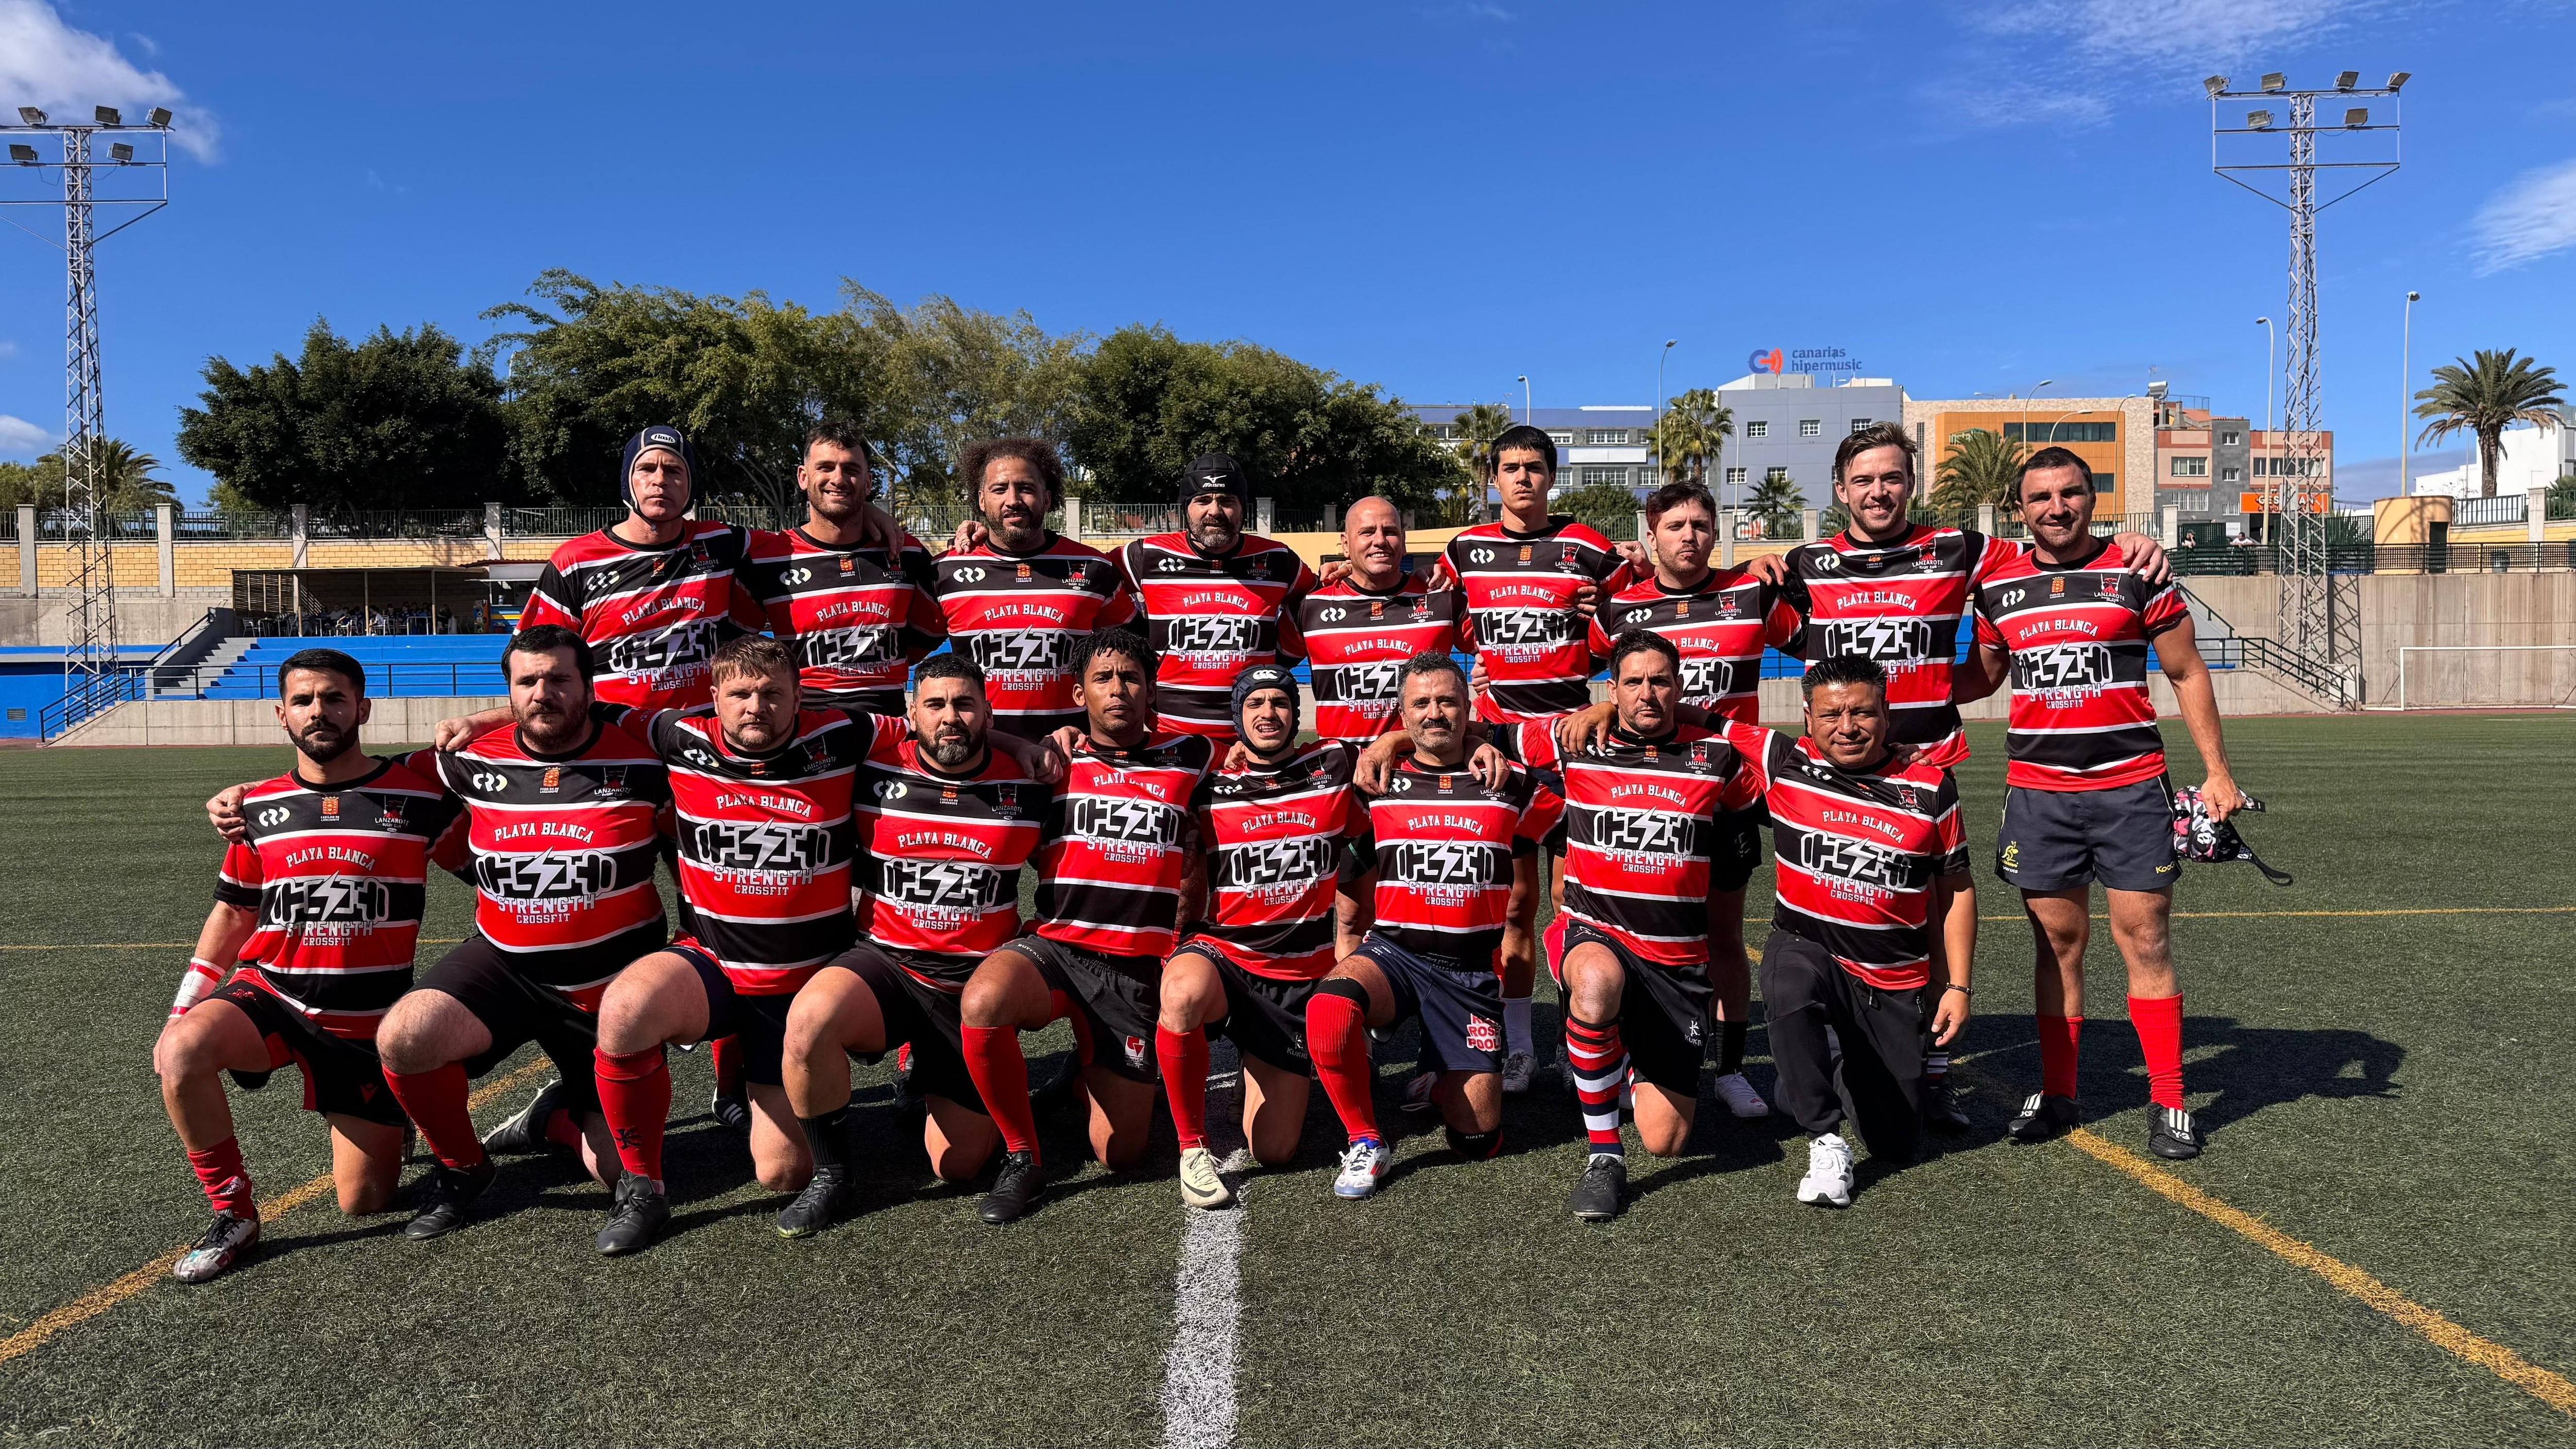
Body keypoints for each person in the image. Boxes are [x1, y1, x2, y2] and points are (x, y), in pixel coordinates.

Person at [1751, 421, 2167, 1131]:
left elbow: (2054, 544)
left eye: (1892, 477)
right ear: (1840, 490)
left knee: (1933, 921)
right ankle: (1829, 1048)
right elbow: (1751, 606)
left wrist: (2128, 547)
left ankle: (1934, 1072)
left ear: (1910, 483)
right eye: (1864, 480)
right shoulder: (1808, 561)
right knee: (1837, 910)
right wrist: (1755, 567)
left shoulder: (1958, 547)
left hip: (1924, 767)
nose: (1878, 490)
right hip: (1836, 772)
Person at [202, 625, 670, 1241]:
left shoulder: (645, 757)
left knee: (610, 1169)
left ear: (587, 685)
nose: (543, 692)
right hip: (505, 964)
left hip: (607, 982)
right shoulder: (462, 759)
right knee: (406, 1035)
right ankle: (462, 1166)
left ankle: (554, 1117)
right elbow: (350, 778)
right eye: (527, 682)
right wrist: (247, 798)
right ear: (508, 691)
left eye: (559, 679)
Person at [1953, 446, 2243, 1161]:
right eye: (2041, 497)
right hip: (2040, 796)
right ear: (2021, 509)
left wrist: (2217, 772)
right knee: (2057, 947)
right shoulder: (1998, 583)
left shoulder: (2136, 570)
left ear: (2093, 496)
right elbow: (1983, 677)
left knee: (2145, 940)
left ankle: (2171, 1100)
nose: (2057, 507)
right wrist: (1893, 680)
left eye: (2071, 493)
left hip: (2129, 790)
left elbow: (2185, 670)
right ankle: (2058, 1093)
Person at [154, 649, 464, 1282]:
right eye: (303, 700)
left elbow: (490, 873)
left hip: (363, 1024)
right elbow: (235, 912)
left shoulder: (419, 798)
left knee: (363, 1201)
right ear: (281, 714)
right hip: (270, 995)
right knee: (181, 1052)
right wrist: (184, 1005)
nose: (318, 711)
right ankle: (234, 1213)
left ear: (363, 708)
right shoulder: (257, 808)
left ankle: (395, 1113)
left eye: (333, 698)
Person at [772, 653, 1050, 1236]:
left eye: (965, 703)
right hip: (885, 964)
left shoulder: (1028, 782)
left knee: (957, 1164)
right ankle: (833, 1172)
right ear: (909, 712)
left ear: (987, 711)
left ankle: (937, 1068)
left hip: (971, 984)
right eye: (935, 704)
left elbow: (1066, 872)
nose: (950, 717)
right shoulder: (868, 768)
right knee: (808, 1020)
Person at [955, 628, 1217, 1223]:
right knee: (984, 999)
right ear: (1078, 691)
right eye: (1103, 679)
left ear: (1151, 690)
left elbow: (1263, 751)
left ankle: (1084, 1065)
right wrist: (1024, 739)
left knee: (1119, 1152)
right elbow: (961, 738)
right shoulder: (1051, 764)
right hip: (1057, 948)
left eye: (1130, 677)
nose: (1118, 689)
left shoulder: (1191, 755)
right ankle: (1023, 1157)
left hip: (1132, 969)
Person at [1500, 632, 1764, 1221]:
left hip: (1675, 962)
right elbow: (1477, 735)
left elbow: (1765, 790)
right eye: (1633, 682)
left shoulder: (1716, 753)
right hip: (1597, 933)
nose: (1647, 693)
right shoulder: (1572, 740)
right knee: (1595, 984)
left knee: (1666, 1140)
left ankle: (1628, 1052)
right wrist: (1391, 738)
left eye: (1660, 681)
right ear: (1610, 689)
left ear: (1681, 685)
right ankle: (1602, 1156)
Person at [1573, 480, 1800, 1121]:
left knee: (1722, 936)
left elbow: (1816, 642)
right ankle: (1616, 1056)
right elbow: (1580, 665)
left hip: (1723, 793)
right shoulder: (1621, 604)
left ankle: (1727, 1067)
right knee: (1618, 931)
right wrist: (1596, 702)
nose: (1690, 536)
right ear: (1651, 535)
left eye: (1701, 524)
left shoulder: (1750, 591)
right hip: (1637, 792)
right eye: (1675, 525)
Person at [1308, 653, 1563, 1201]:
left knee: (1475, 1137)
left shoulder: (1508, 781)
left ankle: (1438, 1062)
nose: (1434, 713)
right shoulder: (1377, 776)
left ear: (1468, 707)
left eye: (1447, 700)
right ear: (1401, 714)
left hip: (1468, 974)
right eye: (1420, 703)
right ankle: (1365, 1137)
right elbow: (1290, 758)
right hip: (1394, 955)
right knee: (1328, 1008)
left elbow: (1573, 821)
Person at [1730, 655, 1976, 1208]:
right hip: (1808, 947)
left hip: (1890, 978)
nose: (1847, 726)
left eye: (1862, 711)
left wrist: (1956, 984)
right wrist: (1603, 705)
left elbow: (1955, 889)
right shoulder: (1784, 760)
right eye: (1831, 714)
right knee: (1790, 980)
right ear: (1807, 718)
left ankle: (1810, 1070)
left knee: (1894, 1141)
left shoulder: (1932, 786)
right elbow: (1686, 714)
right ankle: (1822, 1137)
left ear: (1887, 714)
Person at [1443, 424, 1630, 1089]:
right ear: (1493, 478)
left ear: (1553, 477)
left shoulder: (1587, 546)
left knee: (1575, 900)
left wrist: (1605, 618)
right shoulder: (1465, 549)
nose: (1522, 478)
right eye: (1510, 468)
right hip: (1498, 752)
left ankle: (1589, 1033)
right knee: (1515, 905)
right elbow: (1438, 615)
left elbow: (1632, 621)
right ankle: (1520, 1044)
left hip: (1573, 745)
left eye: (1534, 468)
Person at [1155, 666, 1366, 1209]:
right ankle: (1190, 1147)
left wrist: (1353, 931)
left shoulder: (1333, 762)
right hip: (1226, 956)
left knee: (1274, 1149)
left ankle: (1255, 1056)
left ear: (1295, 714)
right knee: (1179, 994)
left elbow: (1403, 745)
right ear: (1238, 717)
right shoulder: (1208, 782)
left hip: (1298, 976)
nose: (1268, 712)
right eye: (1255, 704)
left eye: (1279, 701)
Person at [935, 438, 1139, 740]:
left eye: (1026, 488)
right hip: (981, 755)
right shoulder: (945, 571)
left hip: (1073, 752)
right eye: (999, 489)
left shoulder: (1095, 569)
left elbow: (1133, 654)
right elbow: (906, 654)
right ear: (981, 500)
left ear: (1046, 499)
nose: (1013, 500)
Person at [743, 421, 945, 717]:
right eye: (825, 467)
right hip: (803, 728)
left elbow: (931, 632)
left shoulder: (907, 552)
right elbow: (736, 646)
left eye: (851, 470)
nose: (838, 479)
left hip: (888, 728)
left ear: (868, 482)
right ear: (803, 476)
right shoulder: (768, 557)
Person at [1113, 453, 1319, 739]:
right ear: (1186, 507)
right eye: (1203, 500)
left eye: (1227, 501)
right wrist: (1133, 635)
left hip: (1252, 741)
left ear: (1242, 508)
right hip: (1170, 738)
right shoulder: (1146, 555)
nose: (1215, 511)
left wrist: (1279, 658)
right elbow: (1090, 583)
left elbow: (1316, 603)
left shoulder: (1277, 560)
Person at [1299, 496, 1466, 746]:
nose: (1380, 541)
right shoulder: (1311, 606)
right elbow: (1264, 667)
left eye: (1390, 532)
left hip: (1420, 769)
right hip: (1342, 770)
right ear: (1346, 544)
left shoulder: (1440, 599)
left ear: (1404, 541)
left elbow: (1499, 659)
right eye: (1367, 532)